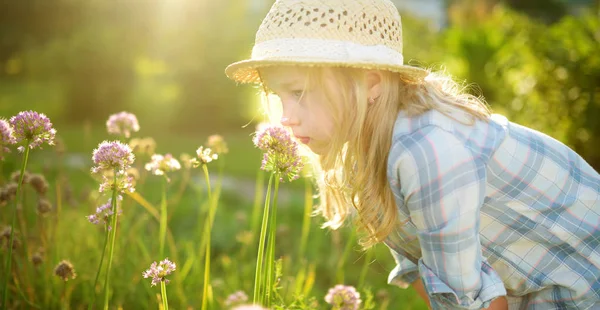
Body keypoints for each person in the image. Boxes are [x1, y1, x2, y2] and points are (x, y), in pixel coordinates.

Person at [224, 0, 600, 309]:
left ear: (369, 83)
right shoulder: (367, 148)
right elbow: (424, 268)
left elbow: (475, 302)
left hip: (582, 284)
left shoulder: (426, 148)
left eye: (300, 92)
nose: (286, 117)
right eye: (278, 96)